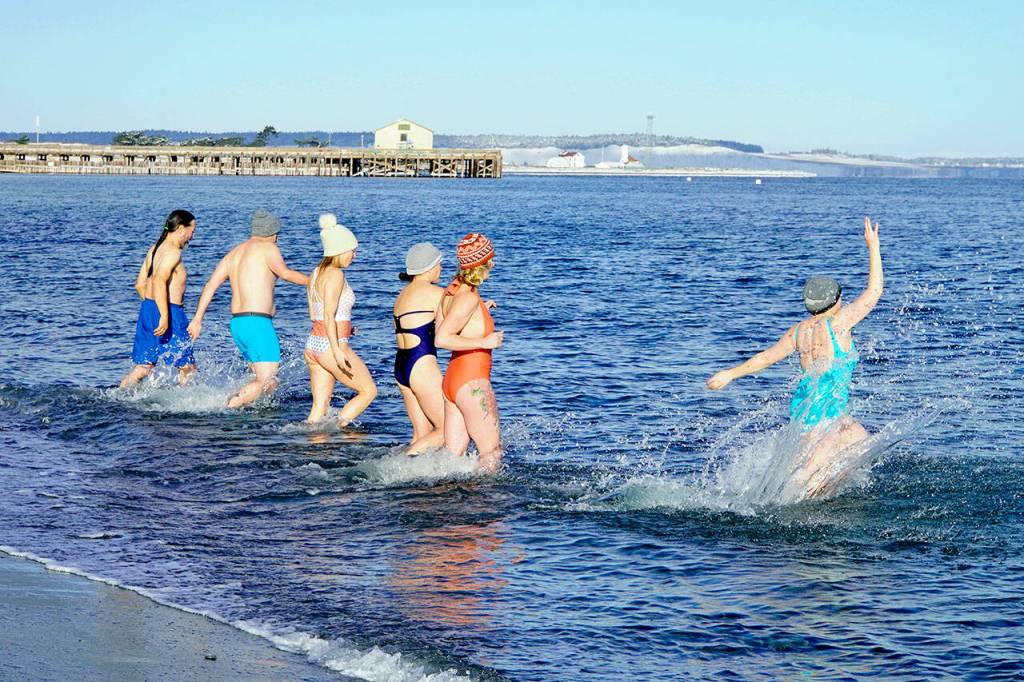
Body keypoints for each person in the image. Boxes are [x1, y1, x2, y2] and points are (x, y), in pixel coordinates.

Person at [707, 217, 884, 496]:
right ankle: (792, 505)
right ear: (836, 301)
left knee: (858, 440)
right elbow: (873, 293)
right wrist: (873, 246)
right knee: (811, 469)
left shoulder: (797, 332)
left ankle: (804, 494)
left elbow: (764, 359)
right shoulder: (839, 324)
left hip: (804, 408)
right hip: (826, 410)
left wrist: (729, 374)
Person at [188, 209, 309, 408]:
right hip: (257, 323)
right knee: (267, 379)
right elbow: (286, 274)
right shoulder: (268, 248)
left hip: (238, 324)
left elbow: (210, 285)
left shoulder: (234, 253)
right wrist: (316, 282)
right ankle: (227, 407)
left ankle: (246, 415)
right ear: (272, 233)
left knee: (266, 381)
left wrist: (197, 319)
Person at [435, 233, 505, 472]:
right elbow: (441, 338)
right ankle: (485, 509)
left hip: (452, 382)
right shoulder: (467, 299)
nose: (492, 265)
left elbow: (448, 324)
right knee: (491, 454)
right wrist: (486, 341)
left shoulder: (452, 292)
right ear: (480, 264)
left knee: (452, 460)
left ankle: (448, 507)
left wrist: (480, 312)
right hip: (472, 383)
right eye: (489, 261)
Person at [303, 213, 377, 425]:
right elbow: (328, 314)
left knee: (319, 407)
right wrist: (337, 351)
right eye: (352, 251)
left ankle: (312, 446)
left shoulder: (316, 272)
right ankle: (338, 428)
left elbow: (314, 314)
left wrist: (345, 327)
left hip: (313, 345)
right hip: (330, 347)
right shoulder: (336, 275)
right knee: (368, 391)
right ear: (340, 250)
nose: (354, 255)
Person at [120, 209, 198, 388]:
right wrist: (164, 315)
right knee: (188, 367)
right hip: (170, 312)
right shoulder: (173, 253)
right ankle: (183, 407)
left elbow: (140, 284)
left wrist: (154, 309)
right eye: (192, 231)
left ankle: (120, 394)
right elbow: (159, 279)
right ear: (180, 228)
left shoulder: (155, 248)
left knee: (144, 366)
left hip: (148, 309)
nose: (192, 236)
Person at [393, 243, 446, 453]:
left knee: (422, 433)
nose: (441, 269)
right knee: (446, 429)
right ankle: (402, 461)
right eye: (439, 264)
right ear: (430, 267)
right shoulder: (436, 293)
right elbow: (449, 330)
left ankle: (415, 484)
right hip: (422, 365)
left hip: (401, 366)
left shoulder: (402, 296)